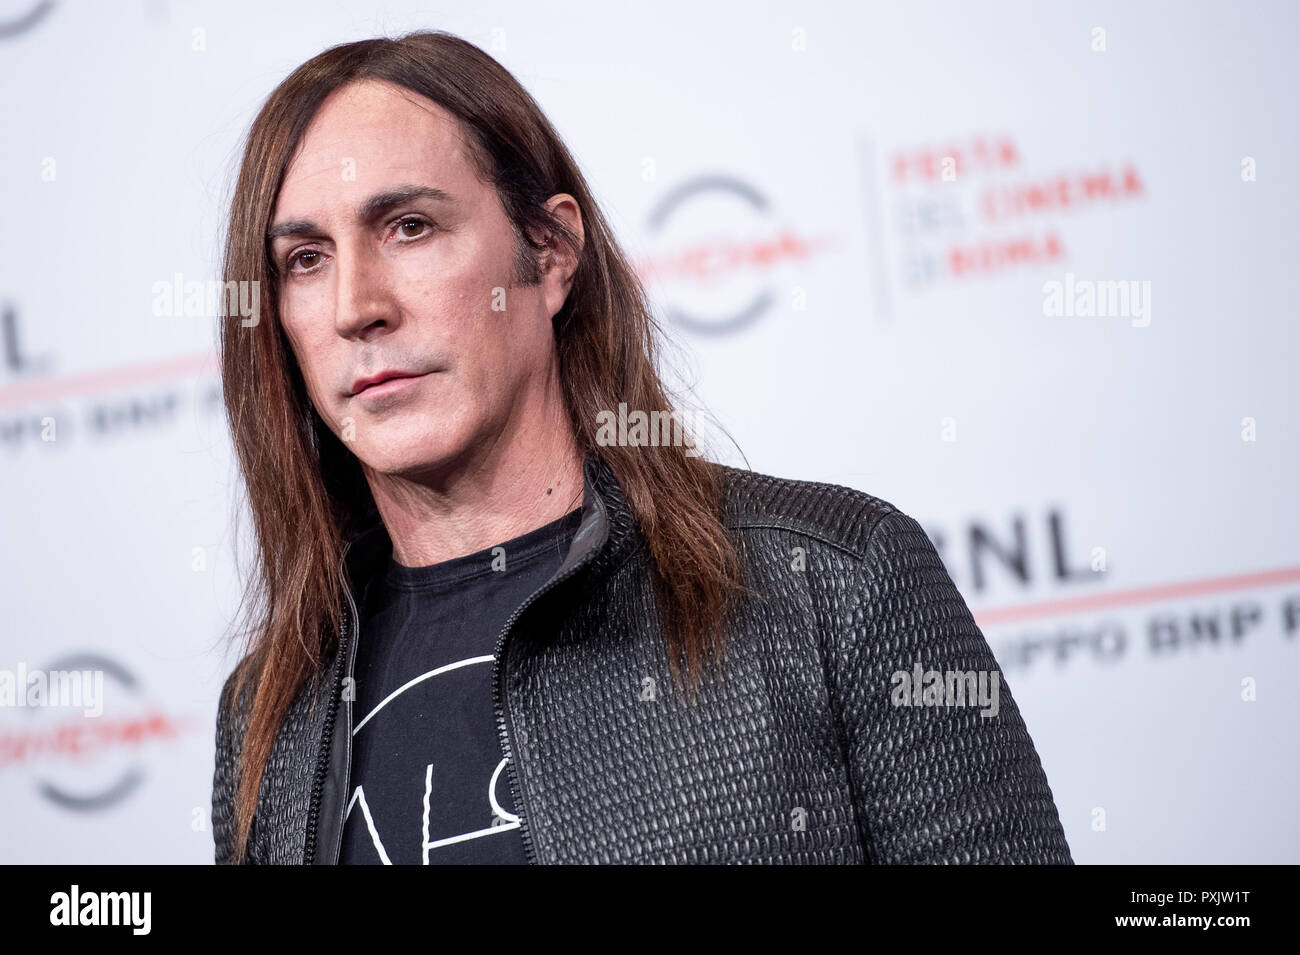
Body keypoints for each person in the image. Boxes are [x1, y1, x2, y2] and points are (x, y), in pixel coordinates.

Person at [211, 30, 1072, 865]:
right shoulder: (267, 717)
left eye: (409, 227)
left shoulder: (834, 580)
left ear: (549, 255)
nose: (356, 305)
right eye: (306, 259)